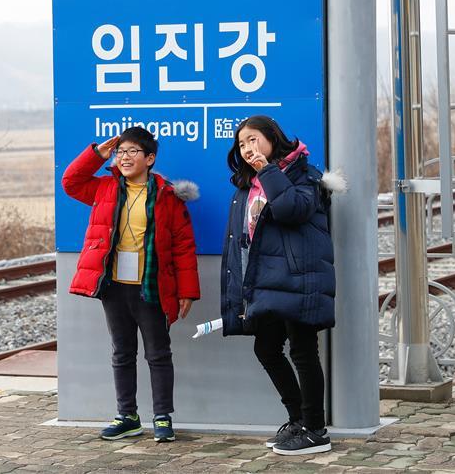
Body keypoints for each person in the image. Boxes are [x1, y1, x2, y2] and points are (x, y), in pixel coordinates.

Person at [62, 127, 200, 443]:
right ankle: (128, 416)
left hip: (150, 286)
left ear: (150, 158)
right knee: (122, 352)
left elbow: (183, 245)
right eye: (121, 151)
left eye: (133, 151)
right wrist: (96, 153)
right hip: (113, 285)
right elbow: (70, 182)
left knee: (158, 353)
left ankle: (162, 418)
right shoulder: (105, 188)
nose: (124, 157)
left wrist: (187, 291)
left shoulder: (167, 196)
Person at [220, 115, 343, 456]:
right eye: (242, 144)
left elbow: (291, 209)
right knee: (267, 349)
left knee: (303, 351)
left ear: (273, 137)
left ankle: (316, 430)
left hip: (300, 277)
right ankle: (299, 420)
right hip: (267, 281)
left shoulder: (304, 174)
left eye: (253, 140)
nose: (247, 148)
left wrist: (266, 170)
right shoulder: (248, 185)